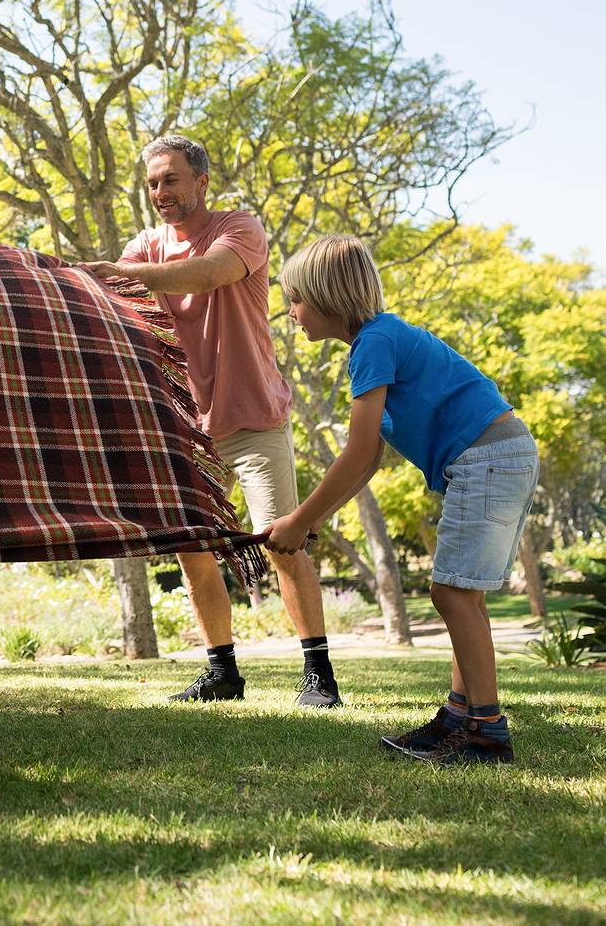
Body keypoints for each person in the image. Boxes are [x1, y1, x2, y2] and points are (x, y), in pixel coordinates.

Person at [82, 134, 341, 708]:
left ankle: (318, 674)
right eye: (152, 183)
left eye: (171, 179)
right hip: (183, 427)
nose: (160, 192)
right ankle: (222, 672)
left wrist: (123, 272)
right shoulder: (144, 247)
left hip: (252, 418)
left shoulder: (239, 229)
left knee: (282, 541)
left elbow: (206, 274)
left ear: (201, 181)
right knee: (192, 548)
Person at [267, 235, 538, 763]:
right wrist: (311, 519)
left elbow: (359, 451)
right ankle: (460, 716)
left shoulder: (373, 342)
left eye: (295, 299)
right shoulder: (381, 339)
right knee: (464, 593)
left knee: (452, 594)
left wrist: (299, 521)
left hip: (487, 456)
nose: (292, 313)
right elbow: (369, 463)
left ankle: (486, 730)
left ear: (326, 296)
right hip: (499, 454)